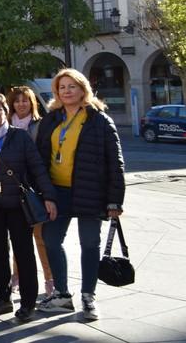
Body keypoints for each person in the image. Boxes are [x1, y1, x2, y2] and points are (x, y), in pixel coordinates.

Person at [36, 68, 125, 322]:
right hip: (57, 191)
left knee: (89, 244)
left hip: (90, 191)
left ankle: (89, 296)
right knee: (51, 240)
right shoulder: (51, 119)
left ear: (83, 89)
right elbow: (40, 157)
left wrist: (115, 199)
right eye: (62, 87)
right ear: (56, 92)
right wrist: (44, 192)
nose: (66, 91)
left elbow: (115, 162)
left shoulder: (100, 120)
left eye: (71, 86)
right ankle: (62, 295)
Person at [0, 93, 57, 321]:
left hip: (17, 204)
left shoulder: (20, 137)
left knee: (24, 253)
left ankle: (27, 302)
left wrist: (49, 196)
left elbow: (37, 168)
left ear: (6, 112)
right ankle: (3, 298)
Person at [6, 85, 53, 296]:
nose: (21, 104)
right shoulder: (5, 125)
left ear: (32, 102)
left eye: (25, 100)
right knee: (17, 237)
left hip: (33, 189)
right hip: (11, 188)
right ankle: (16, 276)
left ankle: (49, 279)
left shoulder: (40, 126)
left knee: (40, 237)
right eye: (17, 101)